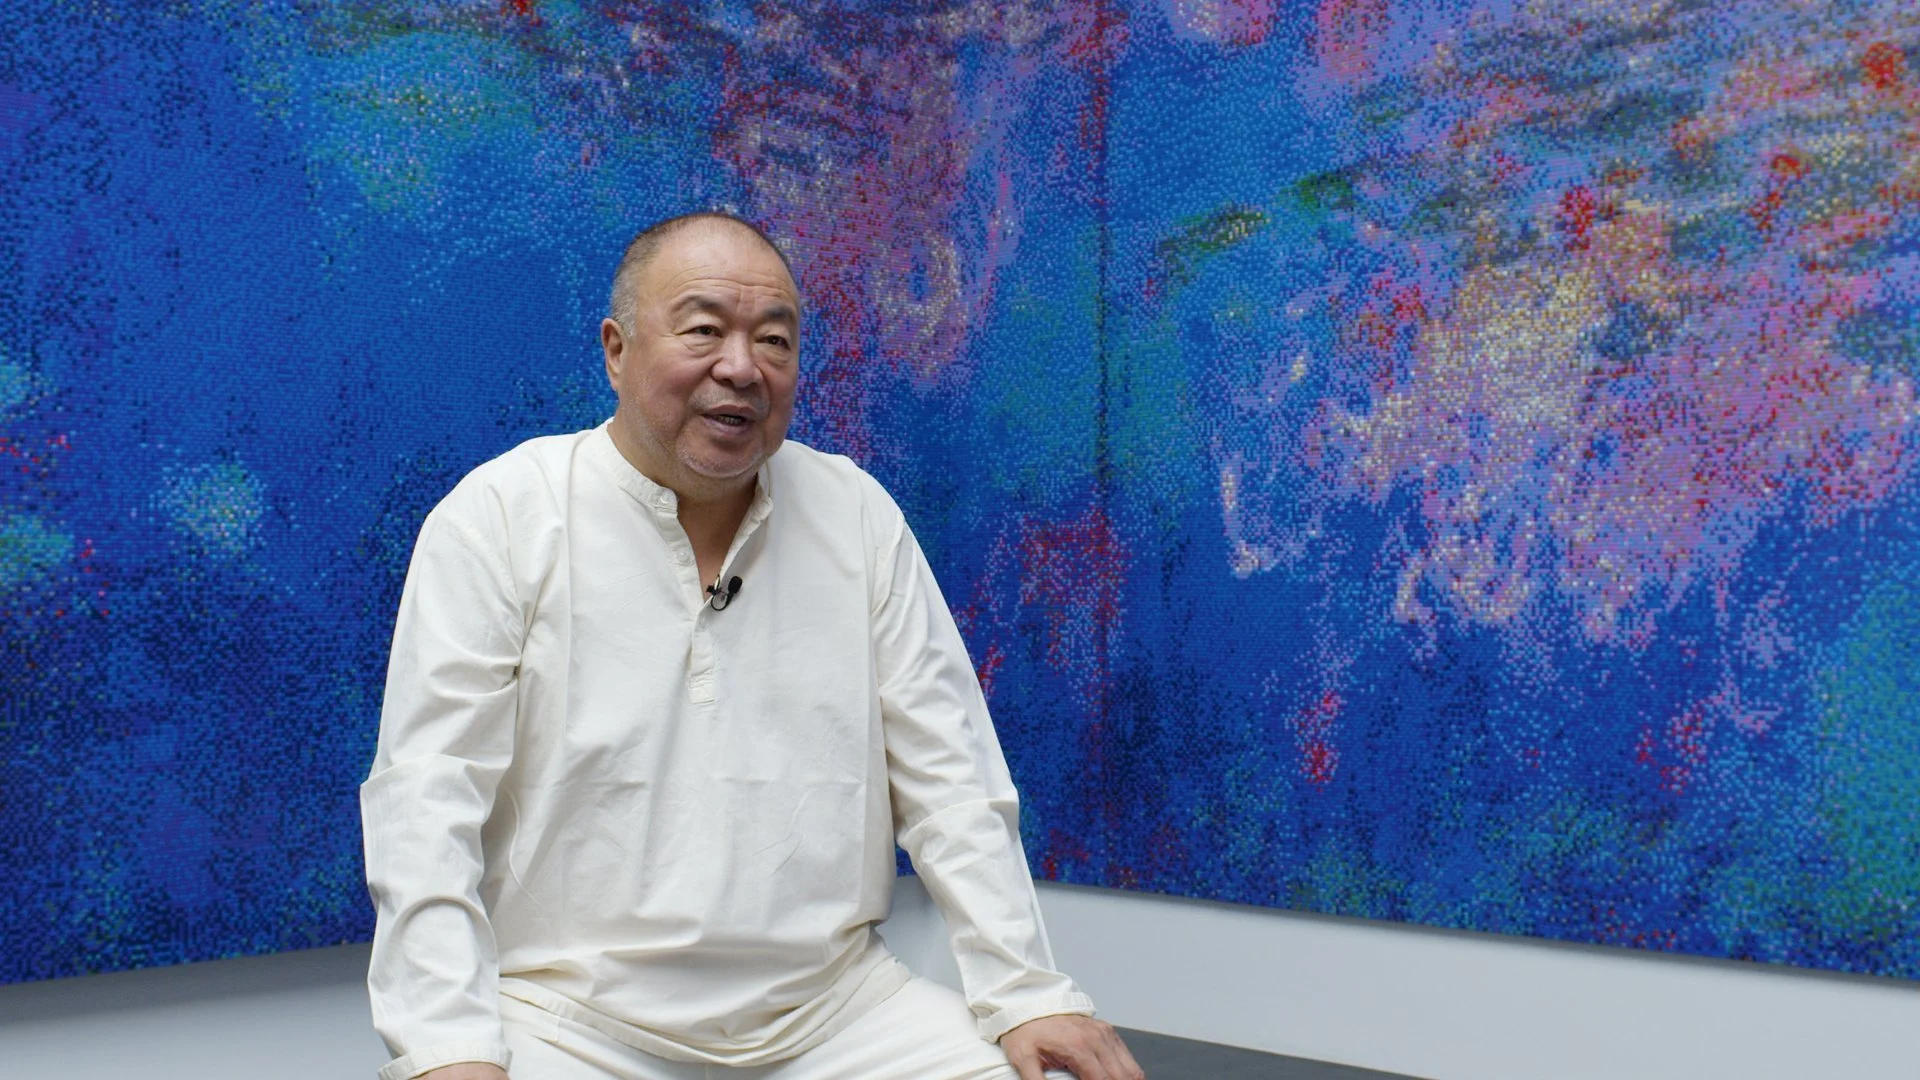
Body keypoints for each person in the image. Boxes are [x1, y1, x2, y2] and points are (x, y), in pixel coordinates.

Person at [361, 212, 1146, 1080]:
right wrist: (449, 1048)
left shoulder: (854, 513)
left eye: (773, 340)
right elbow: (424, 807)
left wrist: (1027, 993)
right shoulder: (501, 518)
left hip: (836, 1013)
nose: (741, 367)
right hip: (567, 1018)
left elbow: (953, 783)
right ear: (616, 350)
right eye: (703, 330)